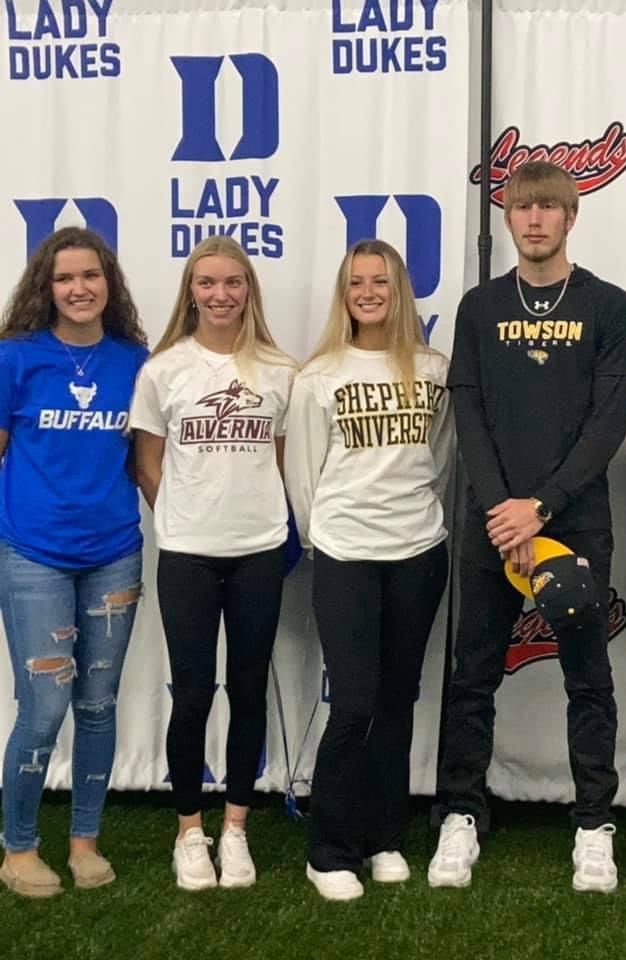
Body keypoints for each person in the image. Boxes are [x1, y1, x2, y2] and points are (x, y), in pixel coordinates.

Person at [427, 160, 626, 893]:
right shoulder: (480, 308)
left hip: (574, 526)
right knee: (473, 675)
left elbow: (606, 424)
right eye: (523, 208)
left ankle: (592, 822)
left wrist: (540, 507)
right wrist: (503, 513)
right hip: (491, 527)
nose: (535, 220)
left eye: (549, 207)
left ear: (571, 217)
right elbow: (471, 416)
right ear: (509, 218)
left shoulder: (610, 307)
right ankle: (460, 811)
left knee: (589, 678)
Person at [285, 239, 452, 902]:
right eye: (357, 281)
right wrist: (322, 540)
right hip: (347, 554)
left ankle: (385, 837)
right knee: (352, 704)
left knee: (396, 701)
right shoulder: (318, 375)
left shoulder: (433, 369)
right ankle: (328, 849)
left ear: (399, 288)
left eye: (380, 280)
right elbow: (303, 475)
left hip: (418, 550)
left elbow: (440, 457)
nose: (369, 291)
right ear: (344, 292)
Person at [131, 236, 296, 891]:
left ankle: (236, 829)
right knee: (193, 694)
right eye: (207, 283)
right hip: (188, 556)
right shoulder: (163, 370)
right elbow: (147, 460)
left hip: (258, 551)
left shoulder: (280, 371)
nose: (220, 294)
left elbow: (284, 460)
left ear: (248, 290)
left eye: (233, 283)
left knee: (248, 691)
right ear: (190, 292)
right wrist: (176, 513)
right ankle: (189, 833)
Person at [0, 227, 148, 898]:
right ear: (46, 287)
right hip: (34, 554)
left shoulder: (134, 361)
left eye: (91, 276)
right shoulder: (16, 359)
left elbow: (147, 464)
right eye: (65, 278)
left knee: (97, 703)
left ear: (109, 284)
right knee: (43, 706)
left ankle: (84, 841)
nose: (79, 288)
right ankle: (19, 847)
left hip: (115, 553)